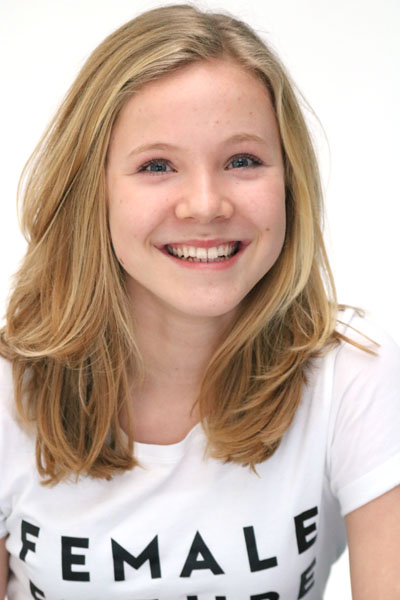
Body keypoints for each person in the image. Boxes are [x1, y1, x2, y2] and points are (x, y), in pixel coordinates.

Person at [0, 4, 399, 598]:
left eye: (243, 161)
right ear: (93, 190)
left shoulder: (353, 376)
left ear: (289, 182)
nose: (206, 204)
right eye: (157, 165)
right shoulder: (9, 392)